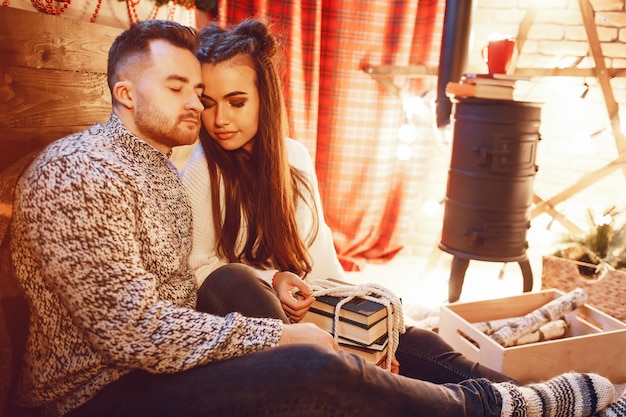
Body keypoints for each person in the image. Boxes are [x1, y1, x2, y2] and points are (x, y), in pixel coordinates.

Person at [10, 18, 623, 417]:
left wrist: (363, 318)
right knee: (307, 358)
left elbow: (301, 272)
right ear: (124, 93)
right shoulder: (83, 173)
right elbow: (140, 330)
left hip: (169, 350)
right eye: (182, 88)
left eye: (203, 91)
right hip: (95, 393)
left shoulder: (152, 166)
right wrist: (283, 334)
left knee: (388, 330)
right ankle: (492, 407)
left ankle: (503, 388)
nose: (202, 109)